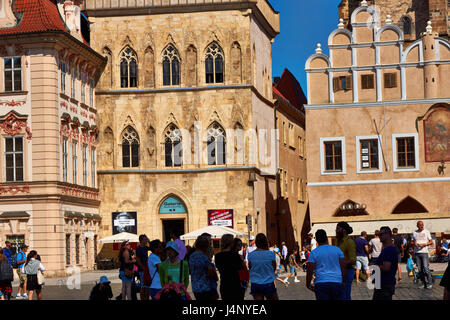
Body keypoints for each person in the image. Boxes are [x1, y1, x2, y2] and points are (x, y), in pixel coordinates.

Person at [306, 229, 346, 300]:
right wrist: (343, 282)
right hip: (336, 282)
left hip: (321, 283)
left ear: (317, 240)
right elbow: (343, 266)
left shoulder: (313, 253)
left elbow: (310, 269)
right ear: (326, 238)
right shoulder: (337, 250)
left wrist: (308, 284)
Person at [247, 233, 278, 300]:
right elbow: (274, 268)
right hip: (268, 282)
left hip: (255, 283)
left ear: (256, 242)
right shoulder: (271, 254)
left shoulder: (251, 255)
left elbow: (250, 268)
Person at [215, 234, 247, 300]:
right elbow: (243, 271)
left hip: (224, 285)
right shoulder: (236, 256)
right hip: (236, 285)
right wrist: (245, 284)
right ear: (231, 243)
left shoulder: (217, 256)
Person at [189, 235, 219, 300]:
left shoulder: (191, 256)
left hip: (195, 288)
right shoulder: (204, 258)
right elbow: (211, 273)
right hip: (205, 288)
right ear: (206, 246)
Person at [373, 227, 398, 300]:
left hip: (384, 284)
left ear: (387, 235)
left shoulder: (388, 250)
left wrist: (375, 265)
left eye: (381, 234)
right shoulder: (388, 248)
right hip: (383, 284)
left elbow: (386, 267)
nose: (379, 236)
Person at [336, 222, 356, 300]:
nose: (336, 230)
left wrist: (341, 262)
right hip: (339, 271)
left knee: (345, 295)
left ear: (344, 230)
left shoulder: (350, 242)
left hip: (348, 271)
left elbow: (353, 261)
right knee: (340, 295)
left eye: (338, 228)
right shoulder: (338, 241)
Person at [411, 221, 433, 289]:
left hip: (424, 252)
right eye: (420, 225)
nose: (421, 226)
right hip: (417, 253)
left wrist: (424, 244)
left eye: (422, 225)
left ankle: (430, 283)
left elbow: (431, 241)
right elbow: (412, 241)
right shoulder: (414, 232)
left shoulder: (427, 232)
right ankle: (423, 283)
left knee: (426, 268)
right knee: (420, 269)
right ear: (417, 225)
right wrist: (415, 244)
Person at [135, 234, 150, 300]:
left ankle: (146, 298)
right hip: (142, 270)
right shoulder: (138, 249)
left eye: (146, 239)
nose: (146, 240)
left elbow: (152, 247)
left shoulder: (145, 247)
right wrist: (144, 269)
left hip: (146, 269)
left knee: (147, 285)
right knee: (143, 286)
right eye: (144, 239)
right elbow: (138, 260)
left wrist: (149, 240)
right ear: (141, 240)